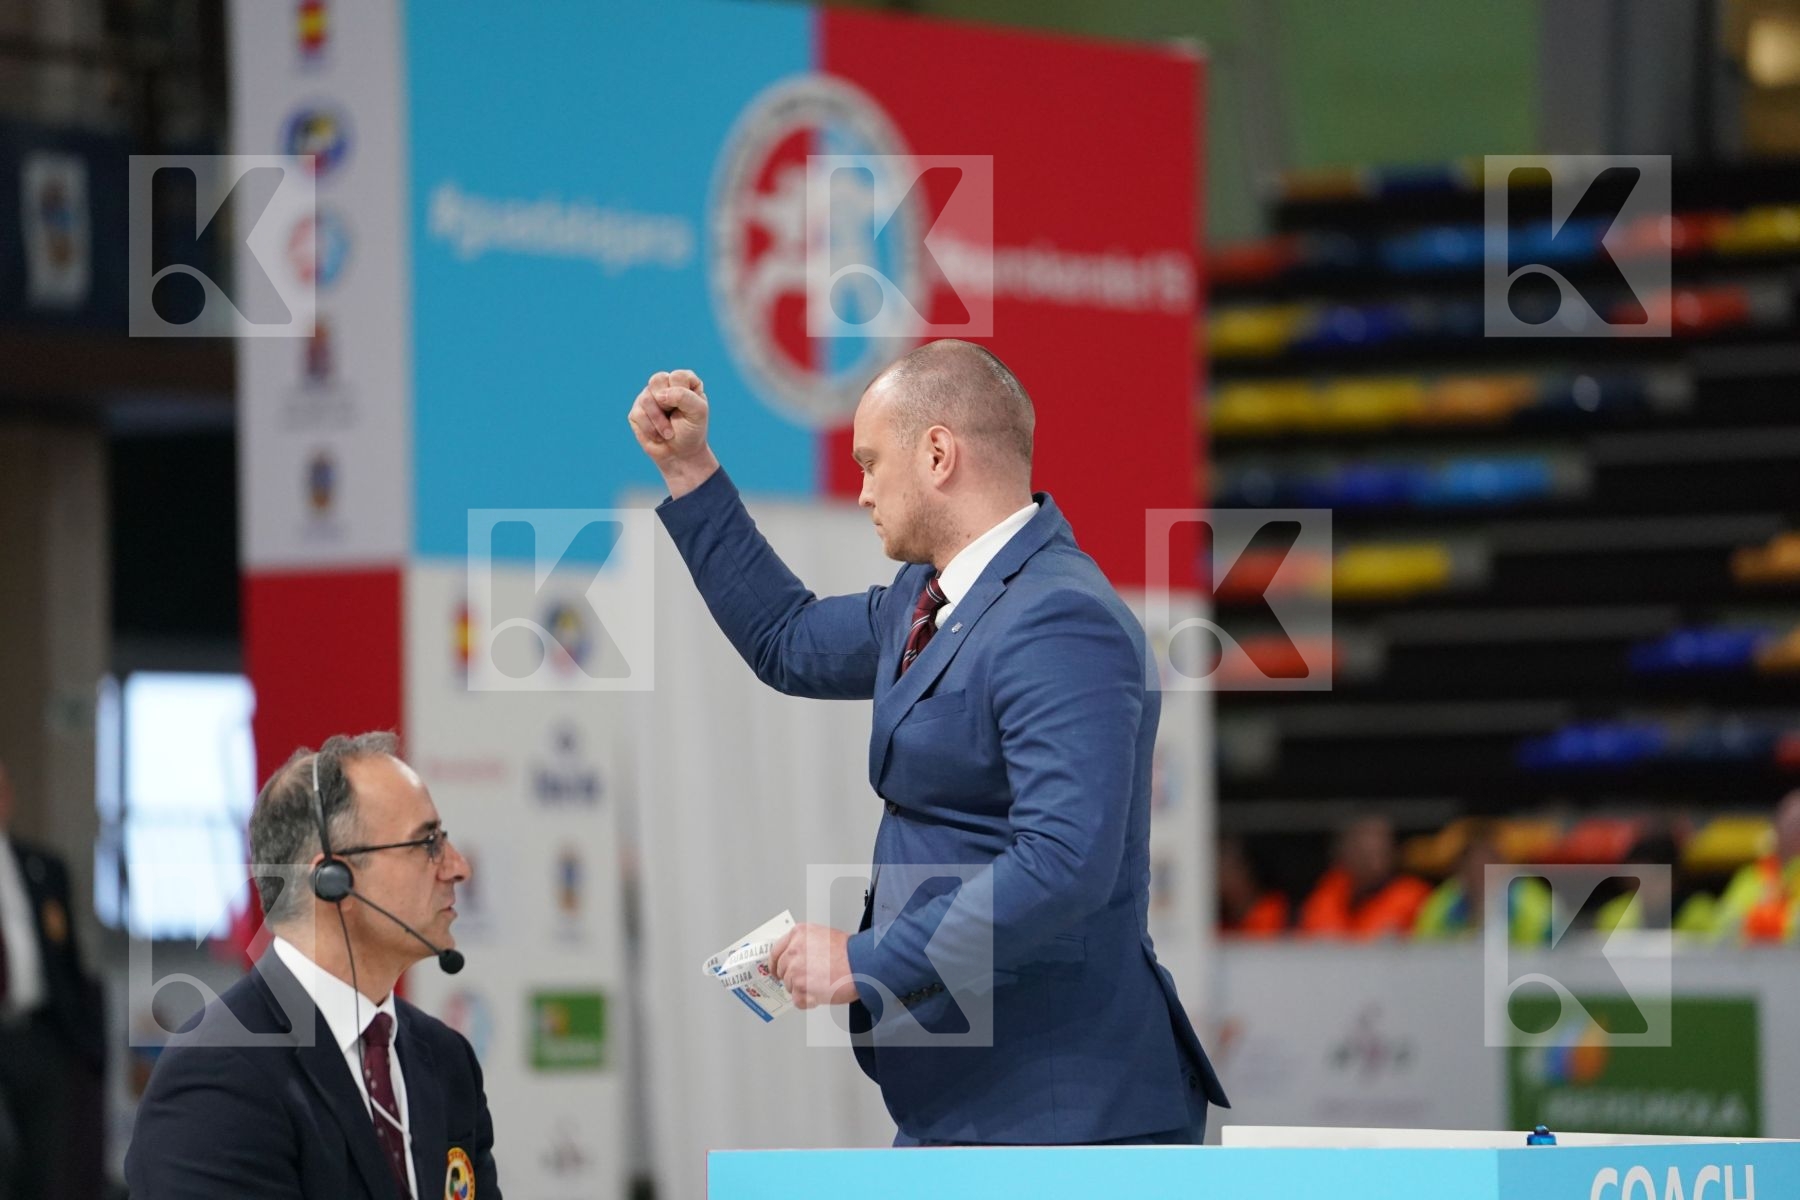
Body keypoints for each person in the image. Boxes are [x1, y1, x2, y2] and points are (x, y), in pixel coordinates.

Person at [627, 342, 1228, 1146]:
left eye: (874, 462)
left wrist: (865, 959)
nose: (866, 490)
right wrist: (691, 471)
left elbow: (1064, 862)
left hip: (1064, 1114)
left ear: (938, 453)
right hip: (966, 1103)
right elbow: (786, 637)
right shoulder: (925, 596)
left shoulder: (1061, 618)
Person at [126, 733, 500, 1200]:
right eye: (426, 843)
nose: (458, 867)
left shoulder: (446, 1060)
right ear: (333, 881)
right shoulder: (217, 1074)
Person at [0, 757, 104, 1200]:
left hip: (39, 1034)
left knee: (50, 1170)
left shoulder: (42, 867)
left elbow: (69, 960)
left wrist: (84, 1041)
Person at [1412, 820, 1551, 944]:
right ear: (1459, 868)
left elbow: (1544, 956)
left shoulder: (1531, 902)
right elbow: (1424, 950)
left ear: (1505, 864)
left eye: (1488, 861)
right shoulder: (1443, 903)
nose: (1480, 871)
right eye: (1471, 863)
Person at [1298, 815, 1431, 939]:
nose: (1371, 860)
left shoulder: (1413, 896)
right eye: (1362, 850)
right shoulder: (1327, 893)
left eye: (1378, 850)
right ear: (1344, 851)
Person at [1707, 789, 1800, 943]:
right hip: (1750, 963)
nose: (1796, 832)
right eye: (1792, 824)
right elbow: (1721, 930)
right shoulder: (1749, 876)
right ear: (1776, 827)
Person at [1218, 836, 1289, 937]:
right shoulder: (1217, 924)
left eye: (1224, 865)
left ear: (1245, 870)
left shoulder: (1280, 913)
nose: (1218, 875)